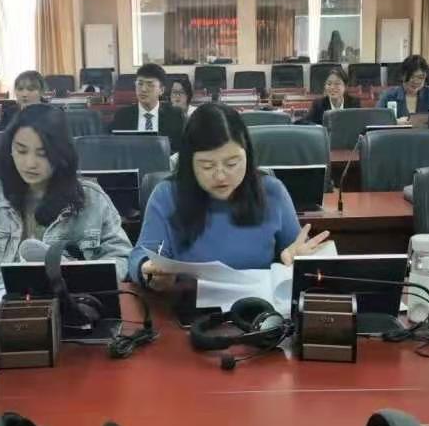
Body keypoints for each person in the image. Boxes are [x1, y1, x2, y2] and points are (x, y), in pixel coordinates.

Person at [128, 103, 330, 289]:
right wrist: (148, 271)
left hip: (258, 308)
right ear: (189, 163)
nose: (221, 176)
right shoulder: (167, 195)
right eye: (207, 166)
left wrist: (297, 260)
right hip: (186, 307)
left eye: (232, 164)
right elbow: (141, 255)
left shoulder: (272, 192)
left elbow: (299, 250)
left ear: (247, 155)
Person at [0, 105, 132, 279]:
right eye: (21, 151)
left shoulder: (92, 200)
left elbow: (122, 258)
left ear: (61, 154)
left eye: (42, 154)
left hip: (69, 298)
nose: (30, 163)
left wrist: (83, 276)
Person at [109, 63, 185, 153]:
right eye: (140, 84)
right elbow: (115, 149)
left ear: (161, 90)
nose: (143, 89)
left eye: (150, 85)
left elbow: (181, 150)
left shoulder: (175, 116)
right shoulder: (122, 116)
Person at [377, 55, 429, 122]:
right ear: (403, 76)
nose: (416, 81)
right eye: (412, 77)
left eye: (420, 77)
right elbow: (377, 120)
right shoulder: (389, 96)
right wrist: (395, 122)